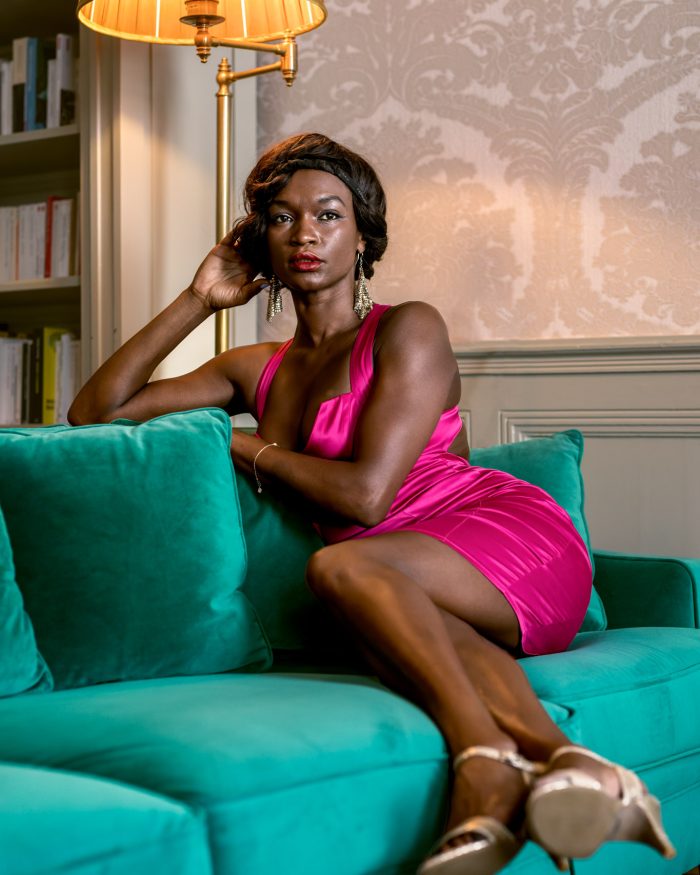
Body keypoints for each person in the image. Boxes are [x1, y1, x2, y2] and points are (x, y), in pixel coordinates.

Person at [68, 132, 675, 875]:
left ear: (363, 236)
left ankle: (482, 763)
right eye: (283, 218)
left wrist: (243, 445)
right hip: (402, 578)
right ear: (261, 237)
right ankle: (572, 763)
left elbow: (365, 494)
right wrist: (198, 299)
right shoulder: (252, 367)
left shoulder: (408, 327)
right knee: (380, 598)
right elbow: (94, 415)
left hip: (499, 539)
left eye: (328, 214)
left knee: (340, 569)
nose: (306, 234)